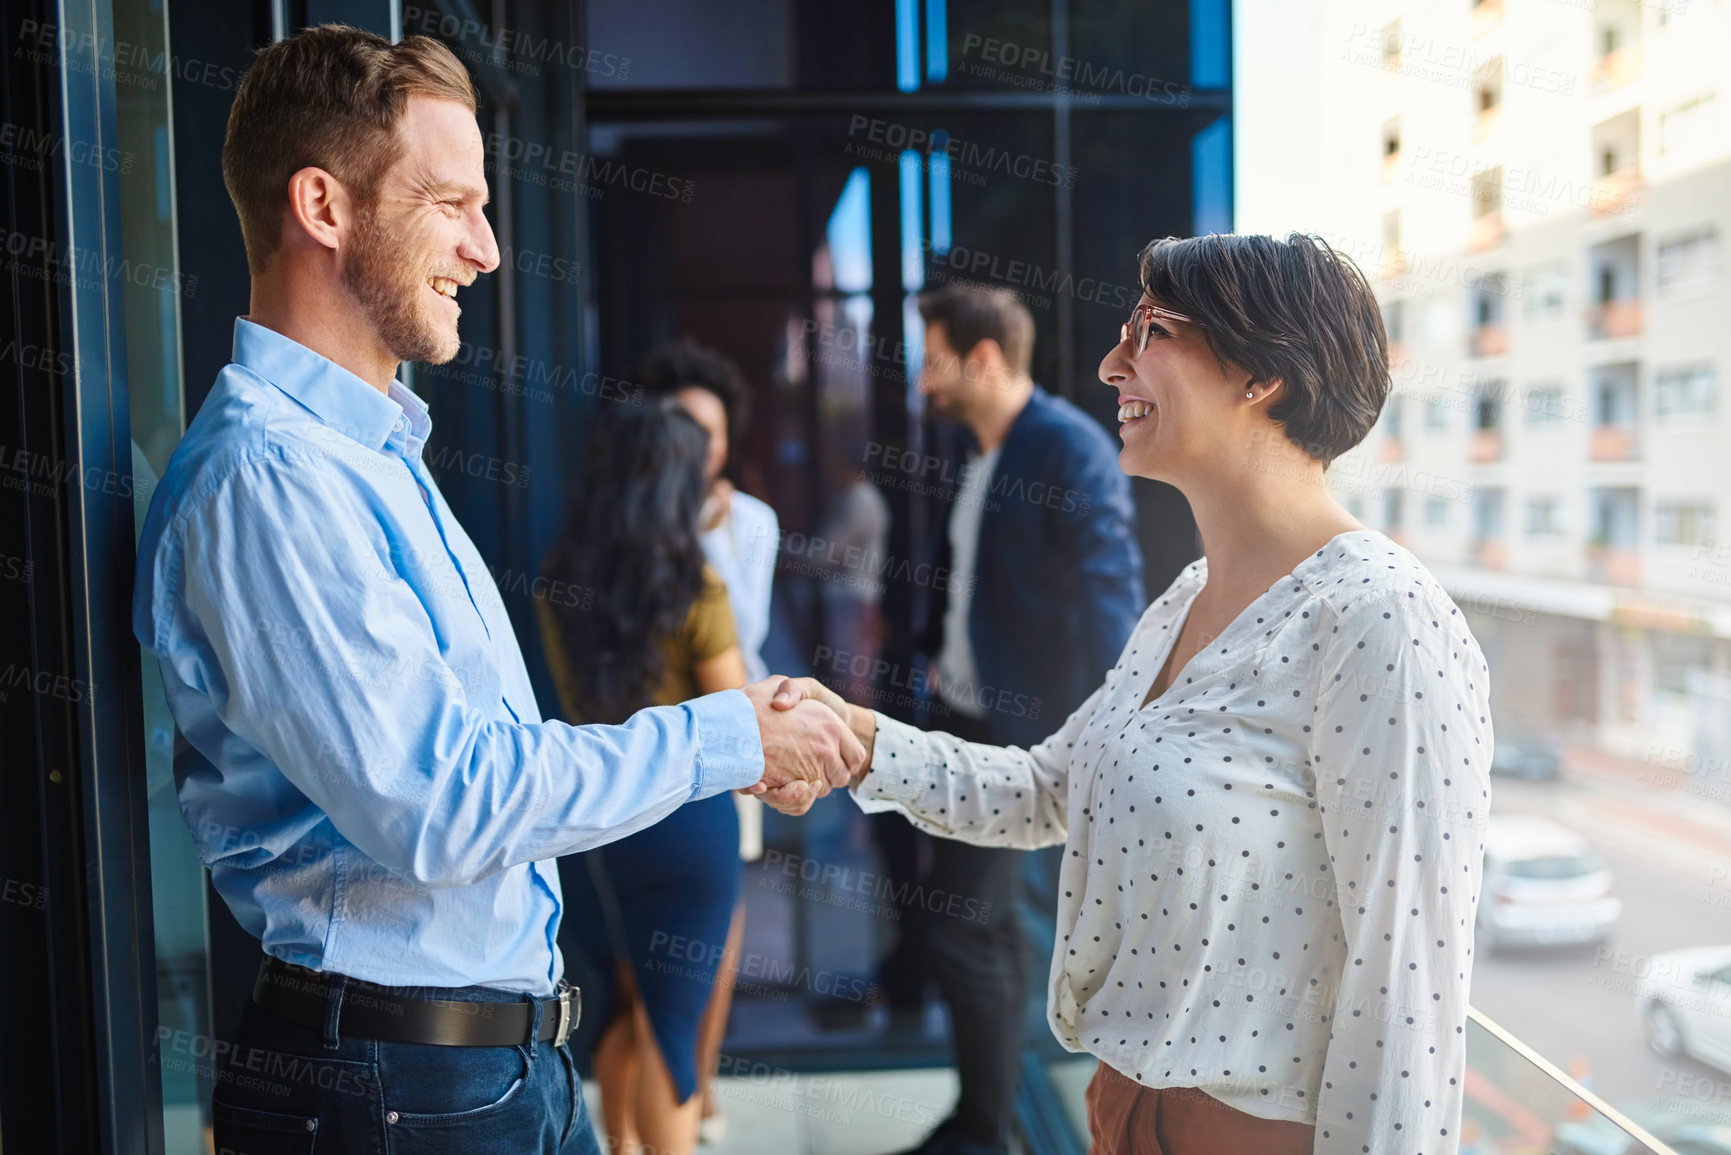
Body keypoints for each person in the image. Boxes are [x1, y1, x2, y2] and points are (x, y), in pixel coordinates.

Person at [130, 26, 858, 1155]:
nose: (488, 249)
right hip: (398, 1087)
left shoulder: (369, 455)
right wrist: (727, 739)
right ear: (323, 207)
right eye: (451, 204)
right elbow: (445, 806)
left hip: (472, 1071)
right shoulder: (272, 482)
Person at [810, 234, 1493, 1154]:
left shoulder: (1382, 620)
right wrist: (854, 738)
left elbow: (1409, 991)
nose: (1109, 364)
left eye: (1151, 330)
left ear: (1261, 374)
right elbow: (1047, 789)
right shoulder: (1182, 600)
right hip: (1121, 1113)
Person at [874, 285, 1145, 1155]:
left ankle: (986, 1129)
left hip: (1024, 740)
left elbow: (1109, 591)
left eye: (934, 359)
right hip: (967, 717)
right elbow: (974, 583)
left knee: (967, 926)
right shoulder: (981, 450)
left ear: (982, 359)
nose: (922, 383)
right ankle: (981, 1117)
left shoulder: (1066, 448)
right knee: (972, 925)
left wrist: (1119, 730)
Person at [535, 397, 747, 1155]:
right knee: (675, 1022)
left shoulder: (560, 581)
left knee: (634, 999)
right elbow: (734, 711)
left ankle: (621, 1143)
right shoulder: (694, 585)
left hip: (599, 813)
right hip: (689, 818)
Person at [628, 339, 777, 1141]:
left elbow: (742, 634)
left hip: (732, 728)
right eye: (683, 425)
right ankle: (673, 1094)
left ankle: (702, 1081)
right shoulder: (633, 520)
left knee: (719, 936)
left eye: (710, 429)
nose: (698, 442)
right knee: (665, 946)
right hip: (656, 742)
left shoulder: (751, 523)